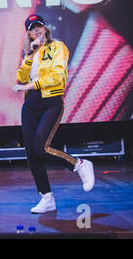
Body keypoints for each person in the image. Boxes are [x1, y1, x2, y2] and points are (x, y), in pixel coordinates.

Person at [12, 14, 95, 214]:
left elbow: (57, 76)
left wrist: (33, 85)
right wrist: (29, 56)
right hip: (30, 104)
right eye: (32, 28)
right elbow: (21, 77)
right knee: (31, 152)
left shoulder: (57, 46)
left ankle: (79, 164)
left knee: (41, 147)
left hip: (51, 101)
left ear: (45, 27)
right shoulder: (31, 51)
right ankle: (46, 198)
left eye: (39, 25)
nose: (37, 30)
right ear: (29, 33)